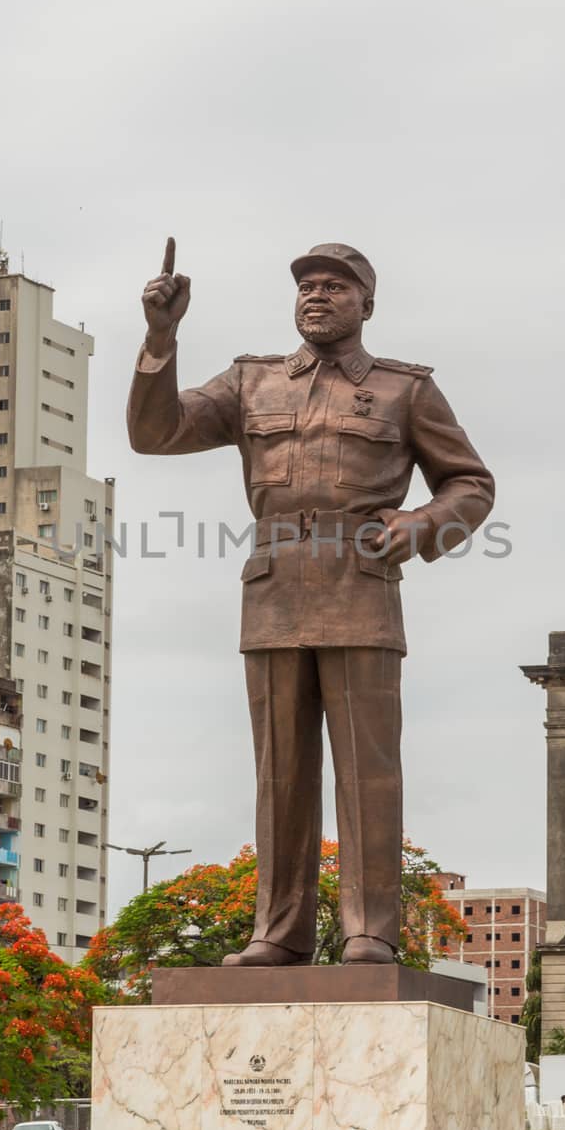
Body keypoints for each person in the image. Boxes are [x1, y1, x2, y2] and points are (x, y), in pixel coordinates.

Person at [128, 241, 494, 965]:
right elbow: (154, 433)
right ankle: (278, 931)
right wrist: (160, 336)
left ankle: (369, 931)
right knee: (280, 774)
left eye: (334, 286)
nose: (316, 296)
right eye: (306, 286)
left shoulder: (404, 390)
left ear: (366, 303)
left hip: (360, 587)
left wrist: (420, 527)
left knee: (368, 773)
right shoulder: (250, 383)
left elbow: (470, 485)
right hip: (272, 591)